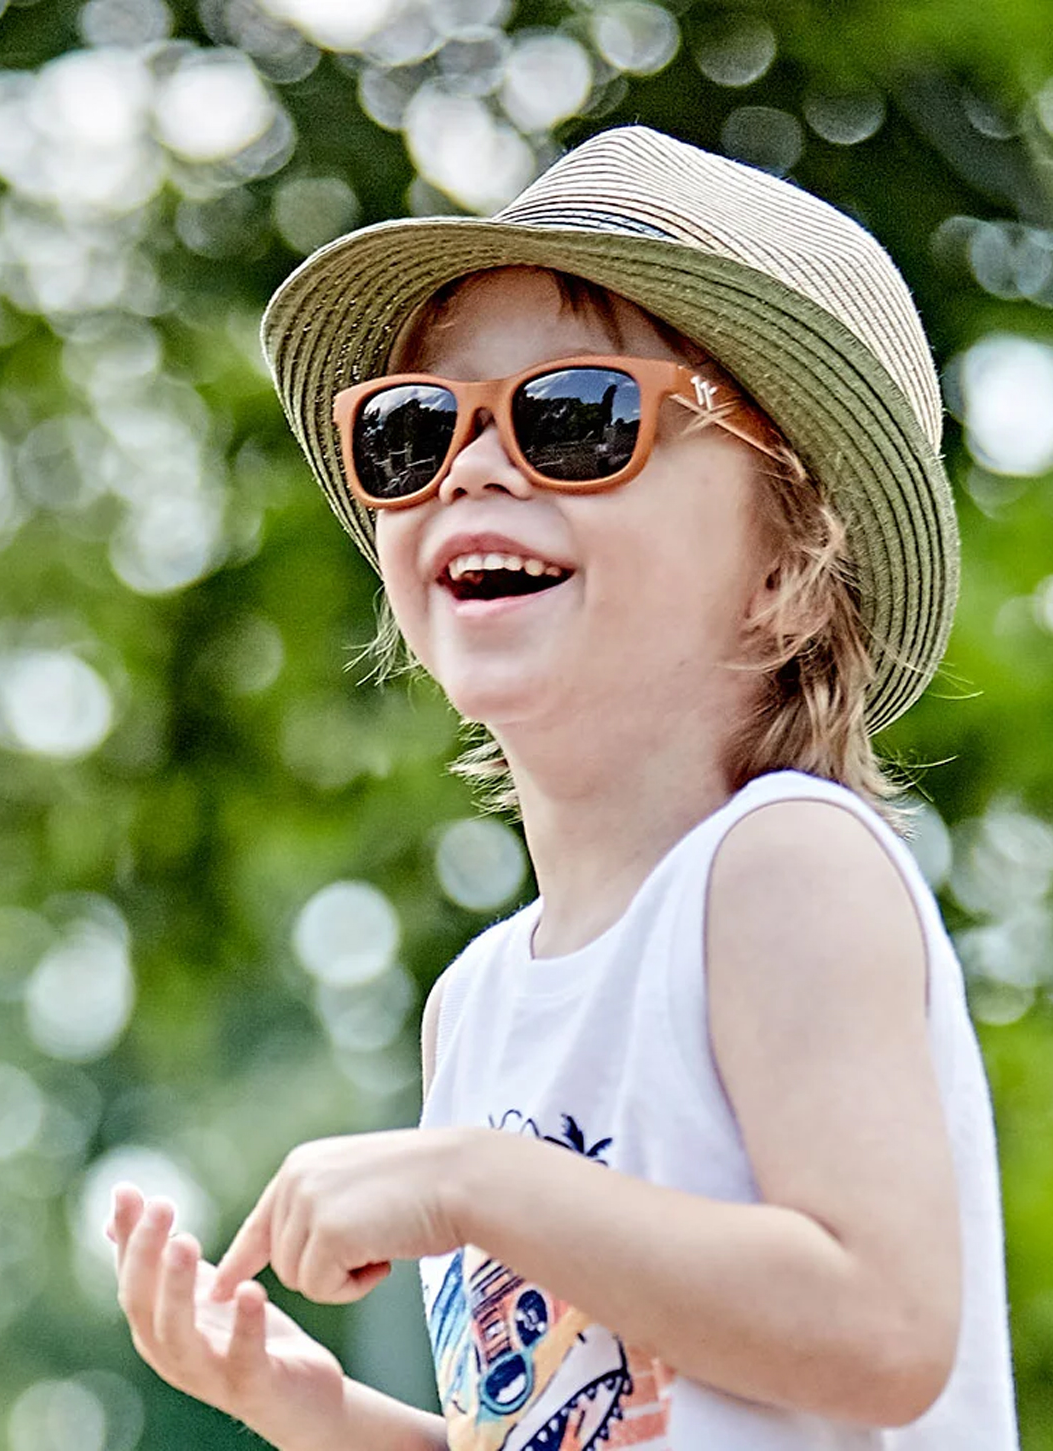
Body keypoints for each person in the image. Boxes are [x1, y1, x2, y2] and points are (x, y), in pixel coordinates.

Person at [109, 126, 1020, 1450]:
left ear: (791, 567)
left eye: (575, 419)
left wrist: (476, 1182)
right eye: (418, 431)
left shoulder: (785, 866)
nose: (474, 467)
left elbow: (883, 1333)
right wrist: (307, 1408)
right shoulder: (473, 1010)